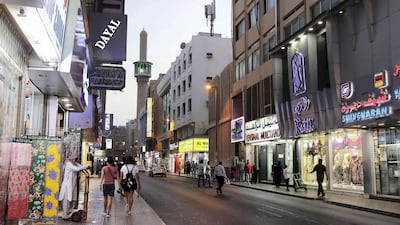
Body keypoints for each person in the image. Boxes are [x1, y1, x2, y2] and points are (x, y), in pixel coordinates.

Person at [59, 152, 89, 220]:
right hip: (67, 186)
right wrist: (86, 166)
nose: (75, 159)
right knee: (67, 200)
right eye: (74, 157)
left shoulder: (74, 164)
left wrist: (85, 167)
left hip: (73, 185)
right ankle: (65, 215)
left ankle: (69, 213)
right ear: (70, 157)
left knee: (72, 200)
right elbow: (76, 169)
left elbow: (79, 166)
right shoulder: (68, 164)